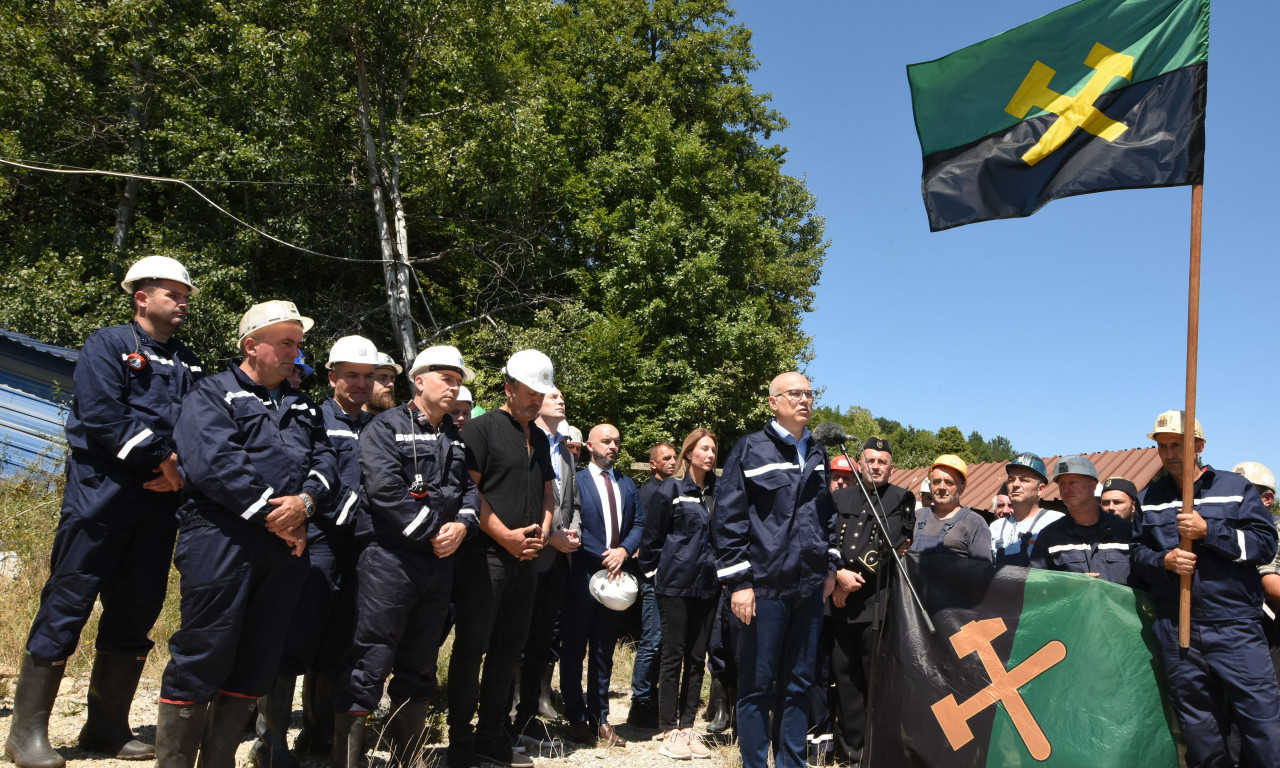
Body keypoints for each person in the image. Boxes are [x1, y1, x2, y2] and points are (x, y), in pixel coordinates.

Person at [5, 256, 202, 768]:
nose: (183, 302)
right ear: (142, 297)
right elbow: (101, 414)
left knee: (137, 609)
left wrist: (181, 466)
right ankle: (25, 735)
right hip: (101, 498)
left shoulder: (188, 360)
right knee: (68, 603)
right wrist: (163, 459)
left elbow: (198, 423)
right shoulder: (109, 344)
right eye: (173, 294)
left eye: (185, 296)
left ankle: (107, 727)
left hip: (160, 504)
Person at [154, 300, 336, 768]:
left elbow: (326, 463)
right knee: (205, 649)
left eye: (298, 344)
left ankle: (219, 760)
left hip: (284, 546)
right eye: (286, 344)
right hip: (220, 537)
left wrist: (306, 505)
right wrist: (277, 518)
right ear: (251, 346)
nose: (296, 354)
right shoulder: (211, 394)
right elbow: (216, 464)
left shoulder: (302, 405)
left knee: (258, 655)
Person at [331, 345, 480, 768]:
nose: (455, 386)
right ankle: (348, 761)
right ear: (419, 380)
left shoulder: (453, 434)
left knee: (421, 660)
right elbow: (384, 492)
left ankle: (406, 756)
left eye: (458, 380)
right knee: (371, 656)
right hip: (391, 560)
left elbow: (469, 493)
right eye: (447, 378)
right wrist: (435, 532)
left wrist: (463, 526)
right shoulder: (384, 427)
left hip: (438, 565)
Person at [250, 336, 380, 767]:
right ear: (332, 377)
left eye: (367, 376)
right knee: (293, 638)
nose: (360, 384)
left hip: (360, 548)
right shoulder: (314, 417)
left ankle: (319, 734)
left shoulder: (378, 425)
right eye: (351, 376)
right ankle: (269, 741)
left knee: (339, 644)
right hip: (317, 540)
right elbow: (304, 470)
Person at [1132, 410, 1280, 767]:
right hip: (1177, 628)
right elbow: (1137, 555)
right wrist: (1164, 562)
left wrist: (1209, 532)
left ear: (1198, 446)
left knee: (1262, 721)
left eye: (1177, 445)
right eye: (1162, 446)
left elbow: (1264, 545)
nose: (1169, 453)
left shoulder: (1233, 488)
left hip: (1235, 625)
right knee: (1200, 729)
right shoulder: (1147, 497)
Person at [711, 372, 838, 768]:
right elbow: (728, 521)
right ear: (773, 402)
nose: (804, 400)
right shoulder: (750, 449)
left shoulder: (817, 453)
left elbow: (826, 516)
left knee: (799, 684)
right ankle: (754, 763)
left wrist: (831, 564)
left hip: (808, 587)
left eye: (809, 394)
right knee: (756, 686)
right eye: (795, 394)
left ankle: (791, 763)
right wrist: (739, 583)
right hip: (763, 588)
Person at [448, 349, 556, 768]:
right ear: (508, 388)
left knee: (510, 649)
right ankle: (459, 740)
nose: (536, 401)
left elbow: (548, 490)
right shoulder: (480, 430)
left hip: (527, 557)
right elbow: (470, 492)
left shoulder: (542, 438)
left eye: (541, 395)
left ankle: (491, 733)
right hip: (485, 557)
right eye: (530, 393)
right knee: (472, 647)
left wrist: (543, 530)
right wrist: (505, 536)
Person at [827, 436, 915, 765]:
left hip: (875, 605)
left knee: (875, 682)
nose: (876, 466)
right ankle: (853, 750)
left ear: (891, 467)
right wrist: (836, 575)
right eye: (870, 460)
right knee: (845, 678)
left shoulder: (901, 498)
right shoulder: (839, 497)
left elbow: (887, 546)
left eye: (883, 462)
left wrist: (847, 584)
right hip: (835, 605)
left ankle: (877, 751)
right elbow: (824, 538)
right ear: (860, 465)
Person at [560, 424, 645, 748]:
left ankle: (602, 719)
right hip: (582, 577)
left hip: (615, 578)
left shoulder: (627, 484)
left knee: (603, 651)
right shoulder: (577, 481)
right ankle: (576, 717)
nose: (613, 446)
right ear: (590, 445)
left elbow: (639, 523)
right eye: (606, 441)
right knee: (572, 650)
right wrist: (602, 555)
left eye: (617, 442)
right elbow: (568, 522)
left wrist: (623, 551)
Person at [640, 429, 719, 760]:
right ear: (689, 453)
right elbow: (652, 537)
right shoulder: (671, 489)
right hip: (674, 584)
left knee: (698, 657)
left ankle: (688, 727)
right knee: (674, 654)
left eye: (714, 448)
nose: (710, 453)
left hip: (708, 586)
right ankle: (669, 729)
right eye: (704, 448)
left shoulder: (719, 492)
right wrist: (655, 574)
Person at [513, 387, 581, 750]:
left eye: (561, 397)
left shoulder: (567, 454)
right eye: (553, 395)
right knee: (515, 641)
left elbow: (575, 503)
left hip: (559, 561)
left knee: (541, 642)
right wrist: (551, 535)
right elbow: (523, 498)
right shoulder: (527, 442)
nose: (560, 399)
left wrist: (573, 535)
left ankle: (526, 718)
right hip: (528, 554)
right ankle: (505, 718)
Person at [628, 441, 677, 729]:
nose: (672, 462)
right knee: (652, 640)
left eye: (674, 457)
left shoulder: (671, 488)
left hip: (668, 578)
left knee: (663, 641)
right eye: (666, 458)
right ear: (653, 465)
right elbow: (647, 539)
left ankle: (653, 698)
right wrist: (652, 573)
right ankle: (641, 702)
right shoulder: (650, 492)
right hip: (653, 578)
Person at [1029, 455, 1133, 585]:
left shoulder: (1126, 531)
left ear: (1092, 486)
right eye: (1061, 484)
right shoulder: (1050, 536)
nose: (1066, 489)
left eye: (1072, 482)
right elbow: (1035, 585)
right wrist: (1068, 584)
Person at [909, 455, 992, 562]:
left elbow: (983, 572)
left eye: (949, 482)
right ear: (930, 487)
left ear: (961, 489)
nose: (942, 487)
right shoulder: (916, 517)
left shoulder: (974, 523)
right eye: (937, 481)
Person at [987, 453, 1062, 566]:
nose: (1015, 484)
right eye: (1011, 479)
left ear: (1041, 489)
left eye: (1024, 480)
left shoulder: (1056, 522)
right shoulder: (995, 528)